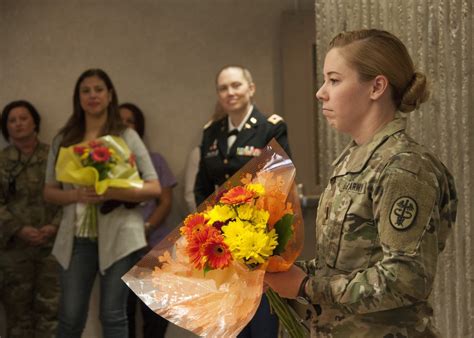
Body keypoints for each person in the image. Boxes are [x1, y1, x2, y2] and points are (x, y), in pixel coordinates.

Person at [264, 29, 458, 337]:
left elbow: (406, 280)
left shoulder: (404, 168)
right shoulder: (352, 161)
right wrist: (280, 268)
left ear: (376, 87)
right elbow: (344, 264)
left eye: (334, 80)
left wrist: (305, 285)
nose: (321, 92)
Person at [43, 69, 161, 338]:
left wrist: (111, 190)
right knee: (70, 317)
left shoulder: (127, 136)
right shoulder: (64, 139)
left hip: (121, 235)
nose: (92, 95)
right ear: (78, 97)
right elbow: (49, 192)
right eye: (86, 90)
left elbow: (153, 187)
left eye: (98, 89)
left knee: (113, 314)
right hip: (77, 237)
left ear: (109, 96)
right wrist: (76, 195)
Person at [194, 65, 291, 338]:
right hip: (222, 240)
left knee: (261, 319)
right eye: (223, 88)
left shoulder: (271, 126)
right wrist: (208, 229)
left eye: (236, 85)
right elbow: (202, 186)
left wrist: (257, 223)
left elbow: (282, 180)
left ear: (251, 88)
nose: (230, 92)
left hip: (260, 235)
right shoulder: (211, 132)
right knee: (230, 323)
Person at [0, 100, 61, 337]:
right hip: (13, 252)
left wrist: (53, 227)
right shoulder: (2, 161)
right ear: (6, 128)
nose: (18, 124)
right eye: (12, 120)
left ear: (35, 121)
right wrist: (18, 228)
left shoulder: (54, 157)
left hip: (51, 249)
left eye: (23, 118)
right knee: (17, 317)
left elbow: (69, 197)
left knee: (51, 313)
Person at [118, 102, 177, 338]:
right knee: (123, 314)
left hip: (153, 246)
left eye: (129, 121)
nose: (124, 126)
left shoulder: (155, 160)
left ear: (138, 127)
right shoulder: (107, 166)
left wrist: (146, 227)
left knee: (155, 316)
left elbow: (165, 202)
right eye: (118, 121)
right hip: (120, 249)